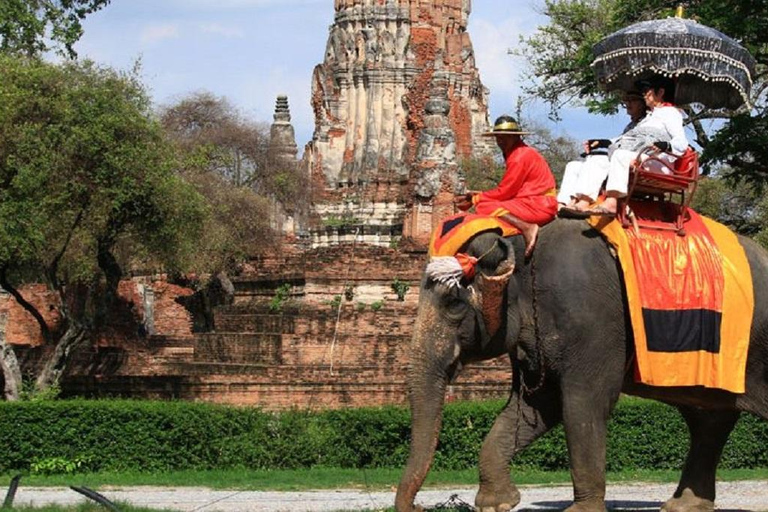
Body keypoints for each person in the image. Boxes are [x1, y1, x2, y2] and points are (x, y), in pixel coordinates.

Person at [455, 115, 557, 256]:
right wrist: (479, 194)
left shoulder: (518, 157)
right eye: (498, 137)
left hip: (537, 205)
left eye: (505, 137)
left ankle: (527, 228)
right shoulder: (521, 153)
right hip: (535, 202)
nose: (500, 141)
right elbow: (511, 190)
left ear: (515, 137)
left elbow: (505, 192)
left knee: (485, 206)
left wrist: (475, 199)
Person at [586, 75, 689, 216]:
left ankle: (612, 201)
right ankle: (580, 201)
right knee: (595, 160)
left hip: (658, 162)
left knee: (620, 155)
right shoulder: (649, 116)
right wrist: (603, 142)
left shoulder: (670, 113)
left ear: (660, 93)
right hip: (640, 156)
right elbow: (627, 138)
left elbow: (682, 143)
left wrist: (666, 145)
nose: (644, 94)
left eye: (647, 90)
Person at [558, 90, 649, 213]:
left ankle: (585, 201)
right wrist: (601, 142)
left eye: (632, 100)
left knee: (598, 159)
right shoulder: (631, 125)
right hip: (618, 157)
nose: (628, 104)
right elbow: (618, 140)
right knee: (573, 165)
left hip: (632, 160)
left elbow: (638, 144)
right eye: (626, 101)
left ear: (643, 104)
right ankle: (565, 202)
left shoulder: (650, 122)